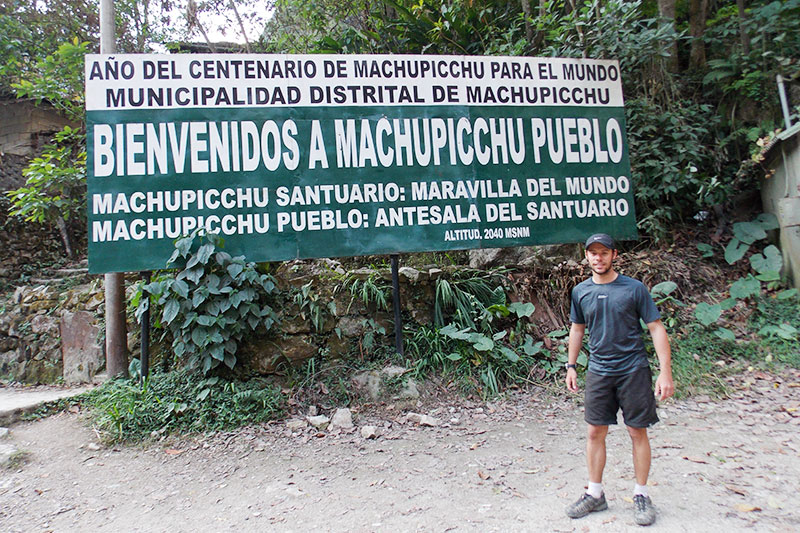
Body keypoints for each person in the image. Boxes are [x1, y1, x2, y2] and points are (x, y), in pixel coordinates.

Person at [564, 233, 674, 526]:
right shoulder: (580, 291)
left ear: (615, 255)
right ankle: (595, 494)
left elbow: (655, 327)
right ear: (586, 256)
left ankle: (641, 495)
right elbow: (577, 329)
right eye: (593, 253)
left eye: (603, 253)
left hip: (633, 369)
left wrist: (665, 372)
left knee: (637, 431)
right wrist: (572, 365)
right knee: (594, 432)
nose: (598, 258)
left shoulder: (634, 289)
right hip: (599, 371)